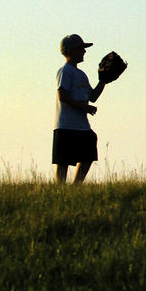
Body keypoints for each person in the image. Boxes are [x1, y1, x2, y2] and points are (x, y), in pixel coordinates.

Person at [53, 34, 107, 183]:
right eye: (81, 49)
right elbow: (62, 95)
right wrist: (84, 108)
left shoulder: (81, 74)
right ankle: (60, 189)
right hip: (65, 124)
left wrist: (103, 80)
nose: (84, 52)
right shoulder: (65, 71)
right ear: (70, 51)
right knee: (63, 161)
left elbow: (93, 96)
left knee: (88, 153)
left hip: (81, 126)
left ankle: (76, 187)